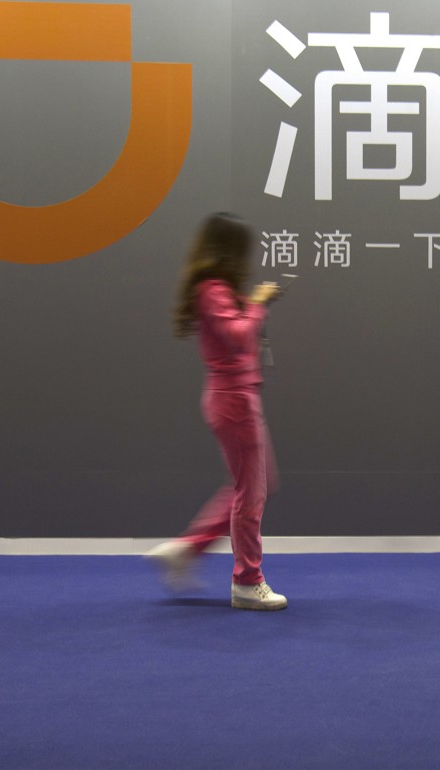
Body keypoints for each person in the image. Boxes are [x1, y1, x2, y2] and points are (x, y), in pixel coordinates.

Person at [145, 212, 288, 611]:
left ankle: (186, 549)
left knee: (253, 487)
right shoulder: (211, 290)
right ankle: (247, 580)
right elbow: (238, 337)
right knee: (251, 492)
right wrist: (257, 304)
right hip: (234, 401)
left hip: (237, 398)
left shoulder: (216, 289)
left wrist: (251, 301)